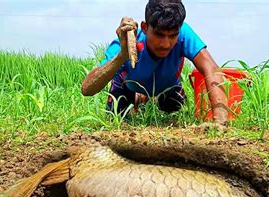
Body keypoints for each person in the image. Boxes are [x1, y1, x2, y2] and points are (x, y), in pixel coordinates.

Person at [81, 0, 229, 124]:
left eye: (172, 36)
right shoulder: (128, 42)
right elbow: (87, 89)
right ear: (145, 28)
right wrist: (122, 56)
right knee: (117, 118)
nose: (166, 44)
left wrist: (220, 120)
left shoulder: (183, 33)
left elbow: (211, 68)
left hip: (168, 88)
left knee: (176, 112)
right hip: (129, 86)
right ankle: (140, 99)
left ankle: (150, 99)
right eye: (159, 35)